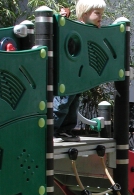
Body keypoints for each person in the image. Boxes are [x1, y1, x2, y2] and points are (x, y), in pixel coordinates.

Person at [54, 0, 106, 142]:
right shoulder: (75, 28)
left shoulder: (91, 31)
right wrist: (63, 19)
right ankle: (52, 131)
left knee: (74, 102)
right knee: (63, 102)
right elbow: (65, 39)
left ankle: (65, 129)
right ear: (84, 15)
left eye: (102, 14)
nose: (101, 17)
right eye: (97, 13)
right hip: (68, 74)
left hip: (79, 75)